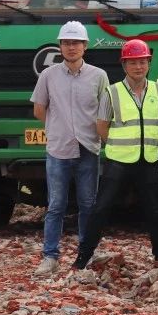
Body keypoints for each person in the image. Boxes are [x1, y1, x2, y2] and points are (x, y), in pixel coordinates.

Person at [75, 39, 158, 269]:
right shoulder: (112, 92)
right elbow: (102, 126)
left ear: (149, 63)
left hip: (149, 159)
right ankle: (83, 256)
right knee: (102, 208)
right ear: (124, 65)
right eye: (132, 62)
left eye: (142, 62)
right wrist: (116, 145)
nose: (138, 67)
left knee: (155, 209)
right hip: (118, 161)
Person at [30, 21, 109, 275]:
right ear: (60, 46)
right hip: (58, 149)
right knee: (55, 205)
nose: (71, 47)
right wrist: (58, 127)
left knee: (88, 204)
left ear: (85, 46)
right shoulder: (48, 76)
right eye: (66, 43)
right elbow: (39, 109)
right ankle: (50, 256)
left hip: (88, 148)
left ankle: (86, 253)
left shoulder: (98, 76)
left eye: (76, 43)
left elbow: (104, 112)